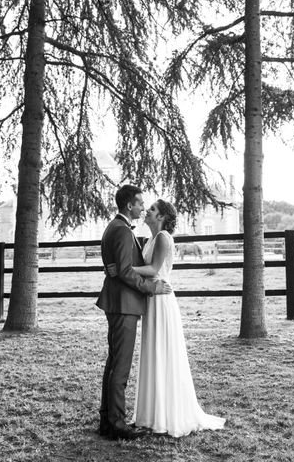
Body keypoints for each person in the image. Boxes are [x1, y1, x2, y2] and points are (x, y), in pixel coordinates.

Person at [113, 199, 226, 437]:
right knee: (153, 352)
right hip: (150, 298)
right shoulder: (151, 239)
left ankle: (167, 415)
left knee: (163, 352)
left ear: (162, 216)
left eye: (152, 209)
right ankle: (152, 414)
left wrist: (124, 269)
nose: (147, 211)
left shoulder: (163, 237)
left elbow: (154, 270)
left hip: (162, 299)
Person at [96, 185, 172, 441]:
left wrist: (118, 269)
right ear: (129, 205)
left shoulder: (117, 228)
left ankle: (106, 419)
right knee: (120, 366)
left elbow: (120, 267)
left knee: (113, 362)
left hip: (120, 303)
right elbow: (126, 271)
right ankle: (116, 424)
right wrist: (151, 288)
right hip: (123, 304)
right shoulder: (121, 230)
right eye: (140, 203)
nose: (142, 207)